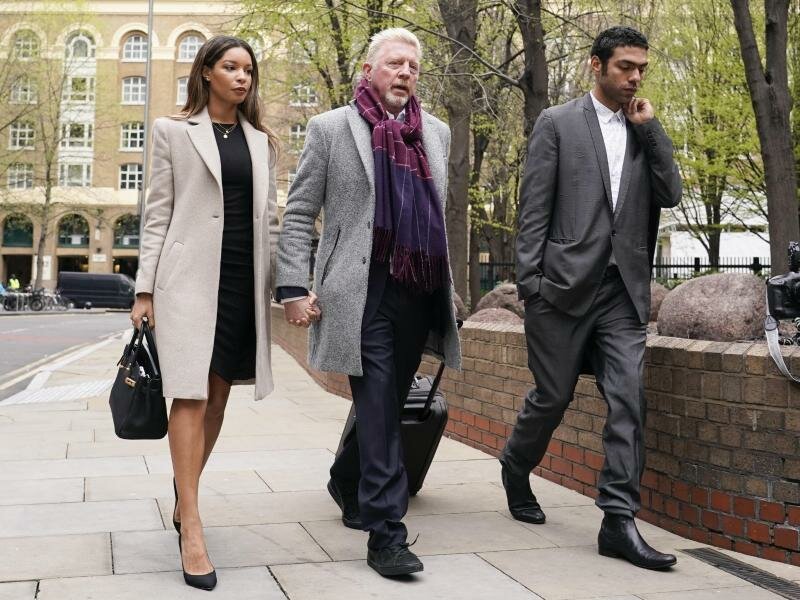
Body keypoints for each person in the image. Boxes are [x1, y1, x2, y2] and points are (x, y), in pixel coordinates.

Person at [275, 27, 461, 577]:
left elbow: (437, 216)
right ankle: (388, 534)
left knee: (386, 402)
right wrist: (291, 285)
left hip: (419, 290)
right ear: (369, 70)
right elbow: (300, 209)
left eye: (413, 66)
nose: (405, 72)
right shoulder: (331, 128)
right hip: (360, 292)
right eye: (395, 64)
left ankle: (344, 476)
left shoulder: (437, 132)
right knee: (380, 407)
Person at [500, 26, 682, 570]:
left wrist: (651, 133)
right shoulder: (557, 122)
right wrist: (530, 286)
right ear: (595, 65)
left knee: (628, 399)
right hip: (561, 289)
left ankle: (618, 521)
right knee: (552, 398)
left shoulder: (644, 127)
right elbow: (533, 210)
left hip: (622, 294)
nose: (634, 77)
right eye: (625, 66)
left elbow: (670, 193)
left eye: (641, 69)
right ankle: (515, 463)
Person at [130, 35, 279, 591]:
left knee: (217, 398)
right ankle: (191, 523)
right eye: (231, 67)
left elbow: (270, 222)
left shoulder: (261, 141)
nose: (242, 77)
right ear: (207, 73)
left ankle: (181, 488)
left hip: (242, 282)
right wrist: (144, 290)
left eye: (248, 69)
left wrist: (285, 289)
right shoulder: (173, 131)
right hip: (188, 283)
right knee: (188, 393)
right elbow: (157, 214)